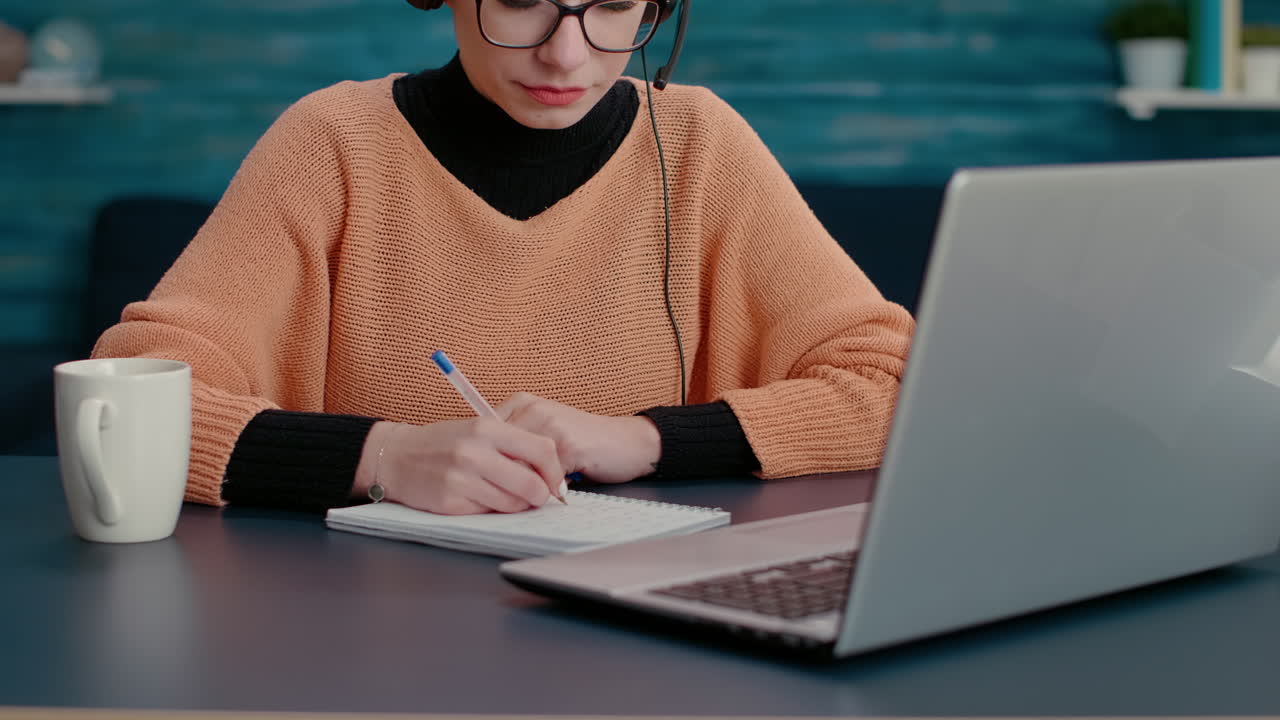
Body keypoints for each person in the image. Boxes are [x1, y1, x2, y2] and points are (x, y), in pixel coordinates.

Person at [91, 0, 915, 516]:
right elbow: (126, 408)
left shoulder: (701, 145)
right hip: (352, 629)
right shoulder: (332, 144)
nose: (567, 54)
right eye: (523, 1)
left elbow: (896, 382)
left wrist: (648, 439)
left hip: (638, 642)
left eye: (613, 6)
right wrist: (381, 458)